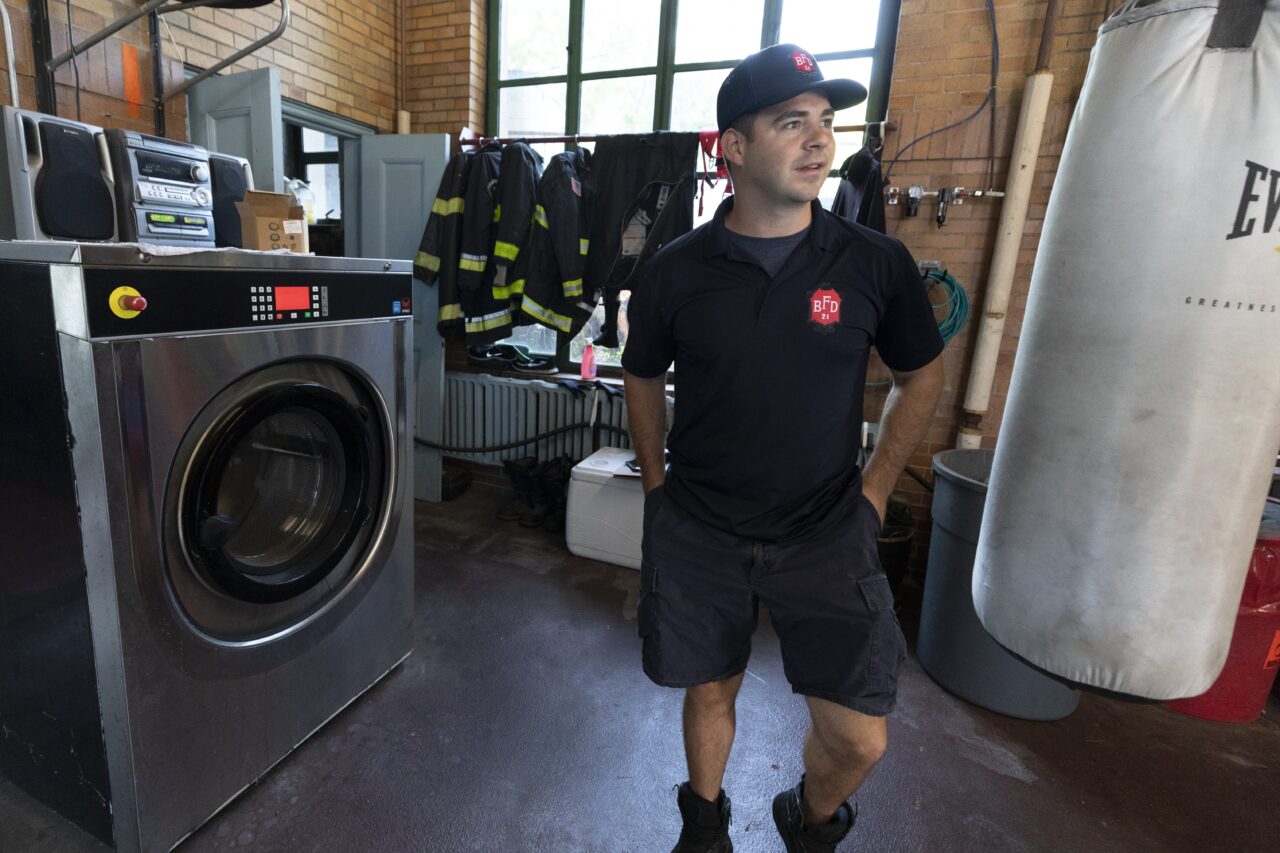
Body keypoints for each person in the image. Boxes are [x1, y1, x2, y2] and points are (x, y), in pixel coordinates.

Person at [621, 43, 946, 853]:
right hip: (701, 525)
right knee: (709, 688)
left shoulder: (874, 262)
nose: (819, 143)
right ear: (732, 146)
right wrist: (658, 488)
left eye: (826, 123)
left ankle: (809, 815)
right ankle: (704, 818)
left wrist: (873, 494)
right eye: (791, 122)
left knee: (861, 735)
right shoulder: (675, 271)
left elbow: (922, 376)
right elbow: (640, 376)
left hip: (825, 529)